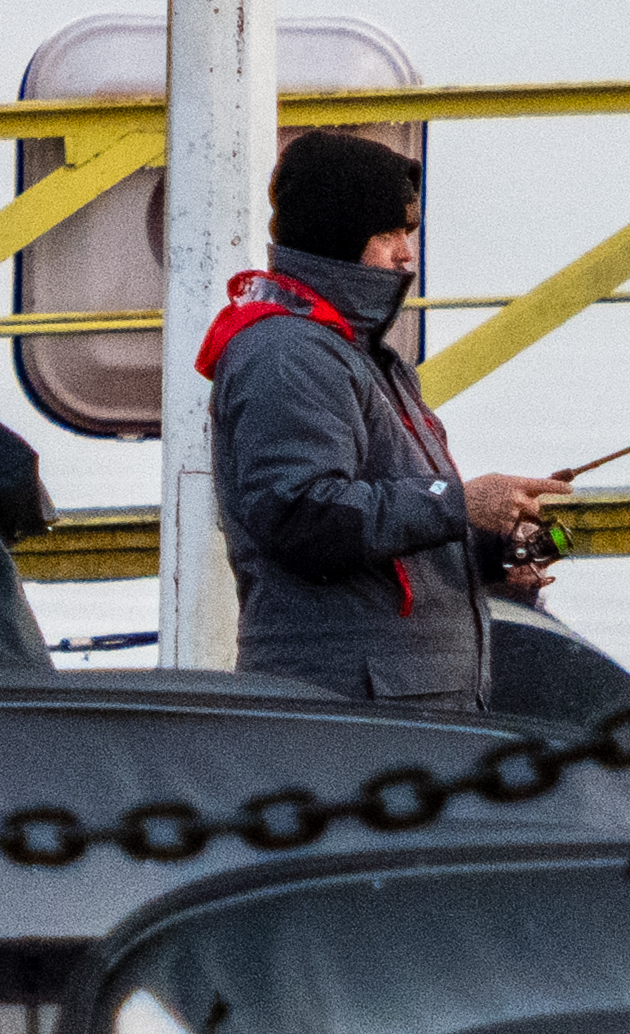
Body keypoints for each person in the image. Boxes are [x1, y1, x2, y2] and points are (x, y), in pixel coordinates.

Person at [206, 127, 563, 705]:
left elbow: (387, 532)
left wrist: (488, 552)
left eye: (409, 231)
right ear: (336, 234)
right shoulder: (286, 354)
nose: (406, 251)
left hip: (400, 703)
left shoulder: (361, 356)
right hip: (350, 712)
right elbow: (300, 517)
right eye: (387, 232)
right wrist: (458, 503)